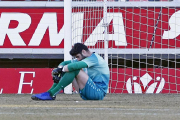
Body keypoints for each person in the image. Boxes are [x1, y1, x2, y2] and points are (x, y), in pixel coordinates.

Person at [31, 43, 110, 100]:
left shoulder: (94, 58)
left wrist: (60, 70)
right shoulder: (85, 58)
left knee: (72, 69)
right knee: (67, 68)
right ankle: (49, 93)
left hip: (98, 93)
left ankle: (51, 94)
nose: (78, 59)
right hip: (87, 92)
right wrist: (59, 68)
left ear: (84, 52)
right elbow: (65, 63)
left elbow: (75, 66)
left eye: (78, 57)